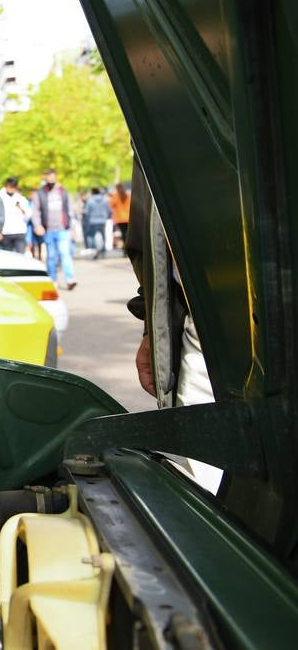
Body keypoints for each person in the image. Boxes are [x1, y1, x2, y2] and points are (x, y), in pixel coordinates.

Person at [125, 160, 220, 493]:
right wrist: (151, 327)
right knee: (214, 484)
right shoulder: (151, 120)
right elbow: (146, 242)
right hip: (203, 323)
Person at [30, 167, 76, 289]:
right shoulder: (40, 193)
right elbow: (35, 211)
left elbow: (70, 210)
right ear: (45, 177)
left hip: (63, 229)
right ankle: (53, 280)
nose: (50, 178)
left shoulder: (63, 191)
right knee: (51, 256)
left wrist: (72, 228)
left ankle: (70, 279)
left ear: (55, 176)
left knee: (65, 253)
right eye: (48, 176)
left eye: (52, 175)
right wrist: (37, 225)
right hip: (48, 229)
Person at [0, 177, 30, 255]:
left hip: (19, 231)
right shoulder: (0, 197)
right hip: (6, 231)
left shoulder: (21, 199)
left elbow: (28, 214)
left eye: (13, 187)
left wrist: (20, 208)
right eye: (9, 186)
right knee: (7, 257)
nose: (11, 189)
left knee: (21, 256)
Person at [82, 186, 111, 259]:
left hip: (93, 221)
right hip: (102, 220)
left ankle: (95, 251)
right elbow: (109, 210)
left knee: (92, 237)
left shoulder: (90, 200)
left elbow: (86, 211)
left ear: (92, 192)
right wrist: (106, 217)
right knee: (103, 236)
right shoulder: (105, 200)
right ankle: (103, 250)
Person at [110, 181, 131, 249]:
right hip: (128, 217)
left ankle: (125, 247)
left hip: (120, 218)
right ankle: (128, 246)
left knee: (123, 233)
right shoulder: (128, 195)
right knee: (128, 233)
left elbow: (112, 204)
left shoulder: (115, 195)